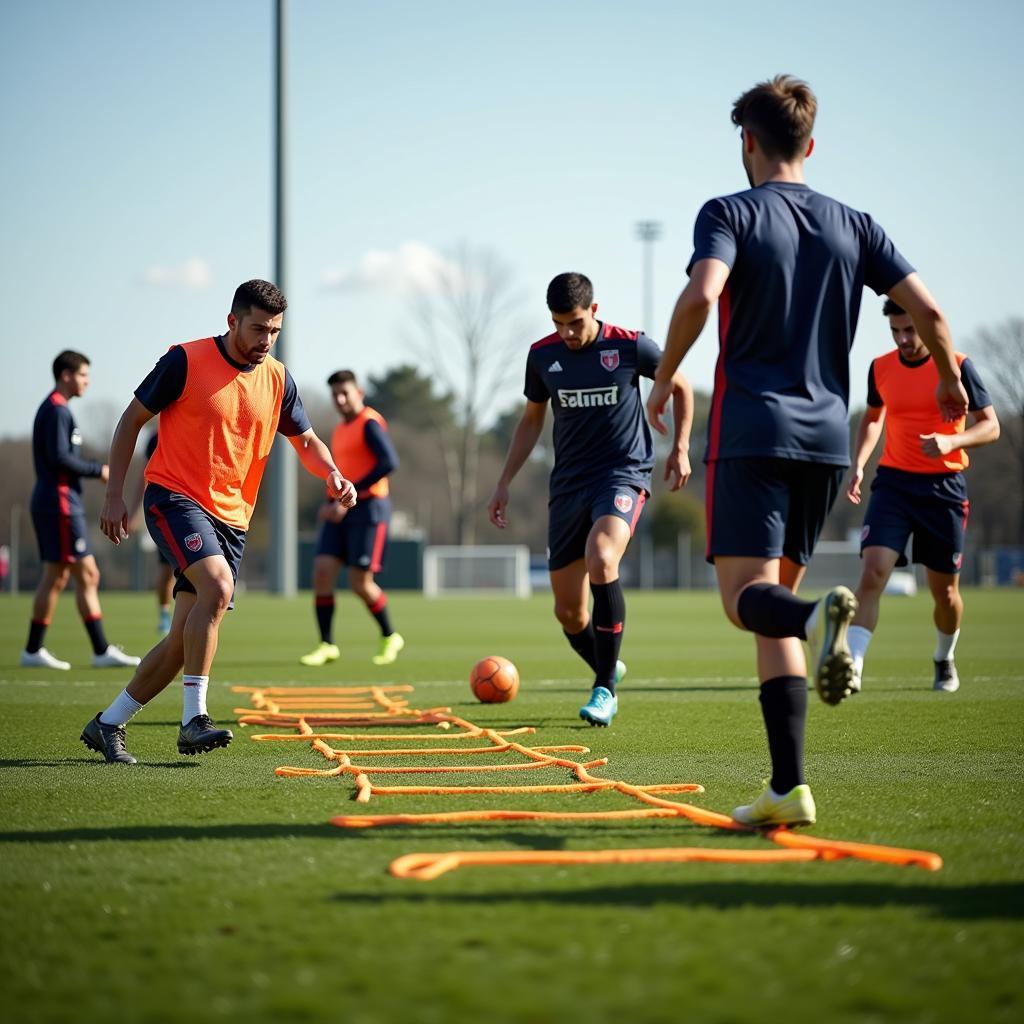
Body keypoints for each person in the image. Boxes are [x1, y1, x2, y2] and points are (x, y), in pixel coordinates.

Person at [646, 75, 969, 827]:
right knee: (775, 609)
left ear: (747, 144)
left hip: (754, 432)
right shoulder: (855, 223)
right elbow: (931, 308)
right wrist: (951, 377)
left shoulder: (729, 212)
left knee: (743, 602)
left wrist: (662, 381)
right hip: (828, 443)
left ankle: (823, 613)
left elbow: (700, 296)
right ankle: (788, 787)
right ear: (811, 145)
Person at [81, 279, 356, 764]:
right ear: (232, 322)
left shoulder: (278, 379)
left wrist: (332, 472)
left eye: (273, 331)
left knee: (181, 641)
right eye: (257, 329)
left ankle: (108, 723)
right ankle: (194, 721)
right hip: (174, 498)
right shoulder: (184, 361)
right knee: (218, 586)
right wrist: (113, 496)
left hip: (233, 519)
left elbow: (307, 441)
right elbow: (130, 421)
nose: (265, 340)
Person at [488, 272, 693, 727]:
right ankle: (607, 659)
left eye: (576, 323)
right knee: (568, 611)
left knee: (602, 558)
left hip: (622, 475)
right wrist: (503, 481)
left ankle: (605, 687)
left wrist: (679, 448)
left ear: (594, 311)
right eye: (559, 323)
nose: (568, 333)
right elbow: (530, 421)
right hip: (568, 485)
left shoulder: (629, 347)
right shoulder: (543, 356)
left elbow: (681, 386)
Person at [845, 299, 999, 693]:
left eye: (910, 330)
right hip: (894, 484)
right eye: (895, 331)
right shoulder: (880, 367)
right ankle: (855, 664)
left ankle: (944, 658)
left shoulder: (959, 367)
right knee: (873, 573)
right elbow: (873, 417)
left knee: (945, 593)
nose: (903, 339)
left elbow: (991, 427)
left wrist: (953, 440)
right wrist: (860, 462)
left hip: (943, 489)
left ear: (929, 328)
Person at [21, 351, 141, 671]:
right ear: (66, 375)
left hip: (54, 502)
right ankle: (100, 650)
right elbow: (60, 458)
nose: (87, 381)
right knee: (87, 573)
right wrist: (98, 470)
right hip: (59, 504)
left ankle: (33, 649)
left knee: (56, 576)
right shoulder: (57, 411)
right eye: (83, 375)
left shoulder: (56, 410)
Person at [300, 369, 404, 667]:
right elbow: (340, 472)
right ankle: (327, 644)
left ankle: (389, 635)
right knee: (321, 572)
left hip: (370, 508)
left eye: (345, 392)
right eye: (335, 394)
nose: (340, 399)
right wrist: (328, 501)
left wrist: (349, 496)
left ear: (359, 393)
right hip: (342, 507)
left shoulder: (369, 423)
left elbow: (389, 462)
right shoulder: (339, 429)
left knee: (360, 582)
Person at [127, 425, 174, 635]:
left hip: (198, 508)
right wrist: (135, 510)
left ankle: (190, 617)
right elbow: (145, 476)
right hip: (167, 511)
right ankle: (165, 617)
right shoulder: (157, 437)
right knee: (168, 569)